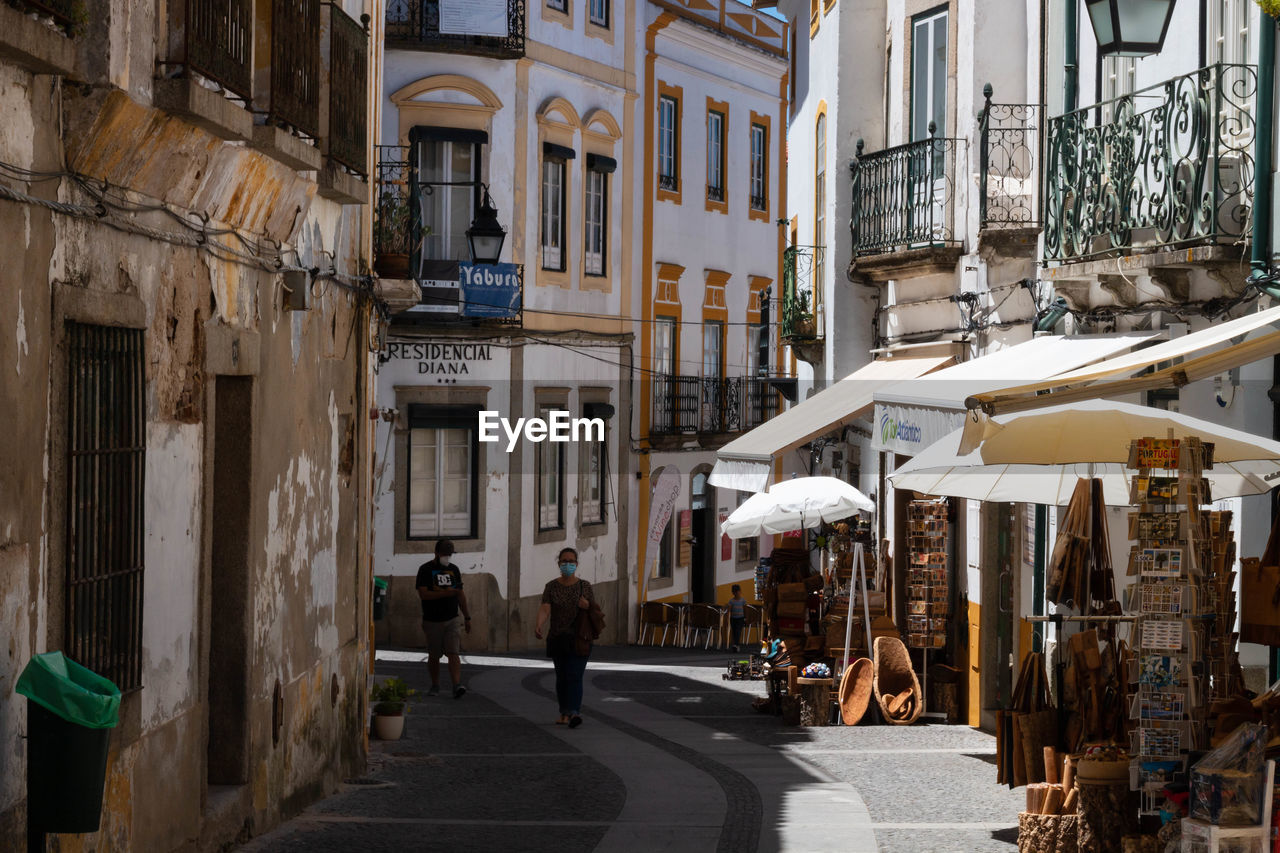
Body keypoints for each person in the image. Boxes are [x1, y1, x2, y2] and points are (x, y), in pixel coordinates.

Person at [534, 547, 594, 728]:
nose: (568, 564)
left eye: (571, 561)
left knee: (574, 675)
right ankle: (564, 712)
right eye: (564, 561)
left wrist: (587, 605)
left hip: (579, 638)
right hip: (558, 637)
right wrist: (539, 624)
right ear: (559, 563)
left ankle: (574, 712)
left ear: (577, 564)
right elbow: (545, 607)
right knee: (562, 676)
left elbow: (595, 610)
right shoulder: (551, 586)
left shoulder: (585, 586)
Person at [416, 539, 471, 698]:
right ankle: (435, 684)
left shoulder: (454, 570)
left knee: (453, 652)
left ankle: (456, 685)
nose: (447, 557)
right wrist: (447, 593)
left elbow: (460, 595)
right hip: (432, 620)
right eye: (445, 554)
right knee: (434, 655)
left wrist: (467, 617)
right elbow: (424, 594)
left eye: (450, 554)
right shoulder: (425, 570)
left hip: (452, 618)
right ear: (436, 553)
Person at [728, 584, 747, 652]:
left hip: (740, 618)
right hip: (733, 618)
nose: (736, 593)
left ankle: (736, 645)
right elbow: (729, 610)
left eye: (737, 592)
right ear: (733, 593)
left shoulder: (743, 601)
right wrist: (728, 617)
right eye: (734, 592)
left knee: (738, 631)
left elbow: (745, 609)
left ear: (740, 592)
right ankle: (735, 644)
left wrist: (745, 617)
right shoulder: (731, 601)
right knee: (734, 631)